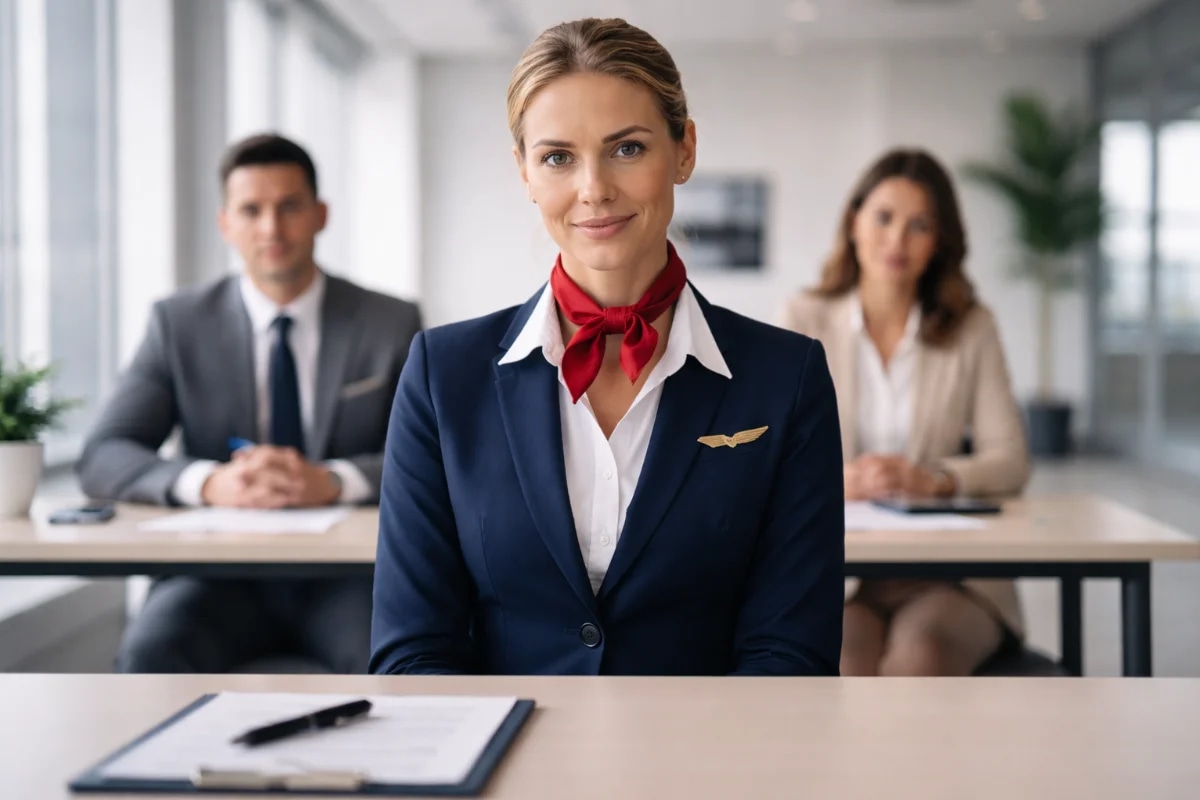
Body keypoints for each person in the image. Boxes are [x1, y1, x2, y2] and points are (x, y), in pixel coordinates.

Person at [370, 18, 844, 677]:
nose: (593, 188)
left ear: (684, 151)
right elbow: (413, 650)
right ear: (525, 173)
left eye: (627, 149)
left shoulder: (786, 378)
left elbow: (790, 654)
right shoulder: (440, 375)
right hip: (506, 765)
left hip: (709, 765)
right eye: (558, 157)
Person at [78, 133, 423, 674]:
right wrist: (211, 483)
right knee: (150, 657)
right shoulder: (178, 324)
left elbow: (431, 458)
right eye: (251, 210)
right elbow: (104, 453)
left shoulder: (390, 323)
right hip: (215, 576)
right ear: (226, 223)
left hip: (347, 577)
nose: (271, 228)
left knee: (398, 665)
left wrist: (332, 481)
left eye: (289, 206)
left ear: (320, 214)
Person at [780, 148, 1031, 676]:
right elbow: (769, 459)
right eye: (884, 217)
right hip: (842, 573)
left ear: (939, 241)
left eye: (919, 225)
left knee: (921, 656)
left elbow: (1010, 460)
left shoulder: (971, 328)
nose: (897, 240)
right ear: (854, 221)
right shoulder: (805, 319)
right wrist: (834, 480)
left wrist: (933, 479)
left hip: (954, 576)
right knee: (843, 660)